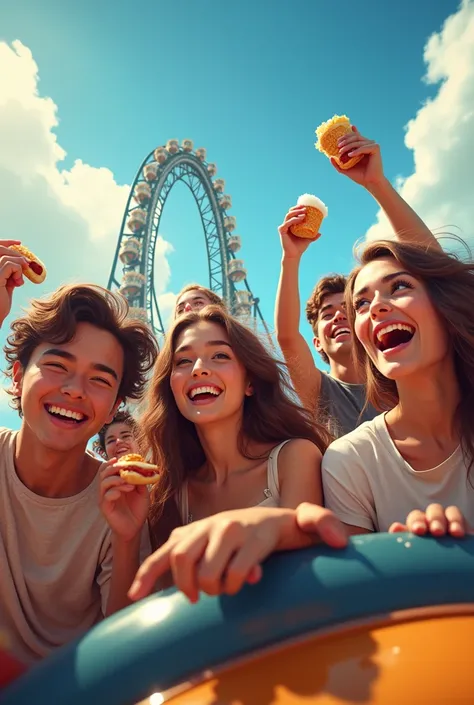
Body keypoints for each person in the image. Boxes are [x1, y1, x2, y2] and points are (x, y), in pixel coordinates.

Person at [0, 240, 158, 663]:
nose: (73, 390)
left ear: (113, 409)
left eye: (100, 380)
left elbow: (124, 645)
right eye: (57, 366)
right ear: (17, 376)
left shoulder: (117, 496)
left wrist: (126, 540)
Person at [275, 127, 440, 437]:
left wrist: (376, 183)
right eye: (327, 314)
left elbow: (436, 271)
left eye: (351, 308)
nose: (339, 315)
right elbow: (286, 337)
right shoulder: (320, 393)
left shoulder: (401, 373)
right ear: (317, 344)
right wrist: (291, 258)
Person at [139, 305, 332, 556]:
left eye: (220, 355)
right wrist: (127, 535)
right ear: (171, 387)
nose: (198, 368)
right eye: (183, 361)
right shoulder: (172, 493)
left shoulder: (295, 457)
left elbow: (302, 566)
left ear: (250, 382)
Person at [320, 239, 474, 535]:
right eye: (362, 304)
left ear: (446, 305)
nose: (376, 307)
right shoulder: (350, 461)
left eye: (400, 286)